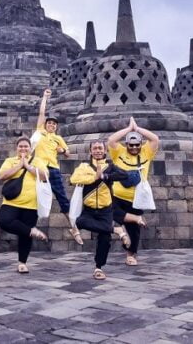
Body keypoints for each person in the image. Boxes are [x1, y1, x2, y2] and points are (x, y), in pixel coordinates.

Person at [108, 116, 160, 266]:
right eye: (131, 145)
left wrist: (137, 129)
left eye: (137, 145)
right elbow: (111, 140)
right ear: (126, 144)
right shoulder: (119, 152)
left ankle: (131, 255)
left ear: (141, 144)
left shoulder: (146, 152)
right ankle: (134, 219)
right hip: (117, 195)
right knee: (110, 214)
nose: (134, 148)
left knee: (134, 231)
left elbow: (155, 139)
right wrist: (128, 129)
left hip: (136, 198)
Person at [33, 88, 82, 244]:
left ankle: (73, 227)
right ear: (45, 125)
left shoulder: (58, 138)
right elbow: (41, 114)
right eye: (50, 123)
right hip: (39, 168)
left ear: (56, 127)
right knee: (34, 197)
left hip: (53, 169)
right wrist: (45, 97)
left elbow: (67, 153)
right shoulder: (40, 131)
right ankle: (30, 227)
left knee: (62, 197)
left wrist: (62, 150)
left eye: (54, 124)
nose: (51, 125)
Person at [0, 137, 49, 274]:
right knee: (2, 220)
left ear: (30, 148)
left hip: (31, 205)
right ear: (16, 148)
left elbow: (44, 176)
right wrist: (19, 165)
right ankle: (32, 230)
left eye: (26, 146)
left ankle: (22, 262)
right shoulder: (10, 161)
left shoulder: (38, 161)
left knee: (24, 236)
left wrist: (28, 167)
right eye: (21, 146)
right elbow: (2, 176)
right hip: (11, 202)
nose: (23, 149)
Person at [70, 140, 115, 280]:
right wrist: (94, 177)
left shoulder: (111, 167)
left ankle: (98, 267)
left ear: (105, 151)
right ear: (90, 151)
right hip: (89, 208)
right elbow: (74, 178)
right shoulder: (84, 166)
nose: (97, 150)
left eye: (100, 148)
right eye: (94, 148)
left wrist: (105, 176)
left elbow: (123, 176)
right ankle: (115, 229)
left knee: (105, 237)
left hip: (105, 208)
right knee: (80, 222)